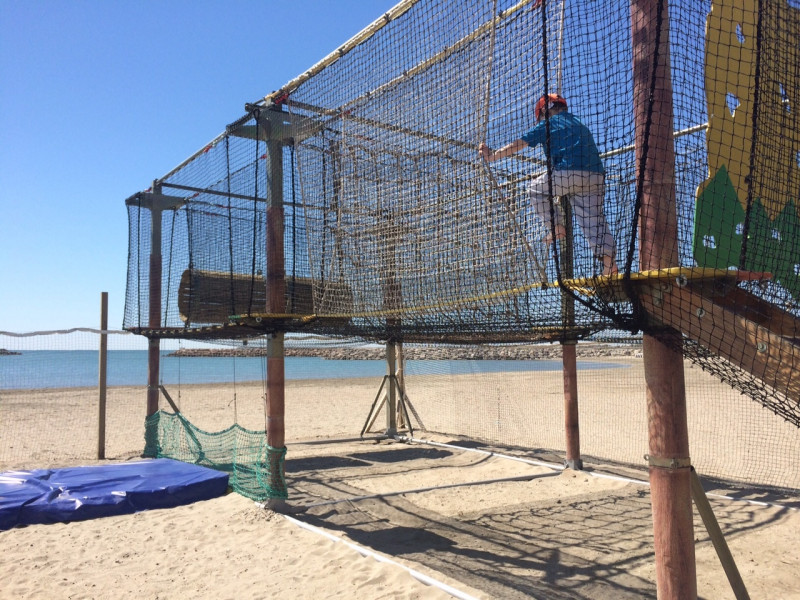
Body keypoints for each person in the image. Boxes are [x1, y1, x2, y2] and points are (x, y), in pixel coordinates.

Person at [479, 93, 618, 276]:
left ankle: (556, 226)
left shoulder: (548, 123)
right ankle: (610, 265)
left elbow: (518, 144)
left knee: (535, 190)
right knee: (593, 221)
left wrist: (492, 156)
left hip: (568, 173)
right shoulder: (579, 122)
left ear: (545, 110)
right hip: (595, 176)